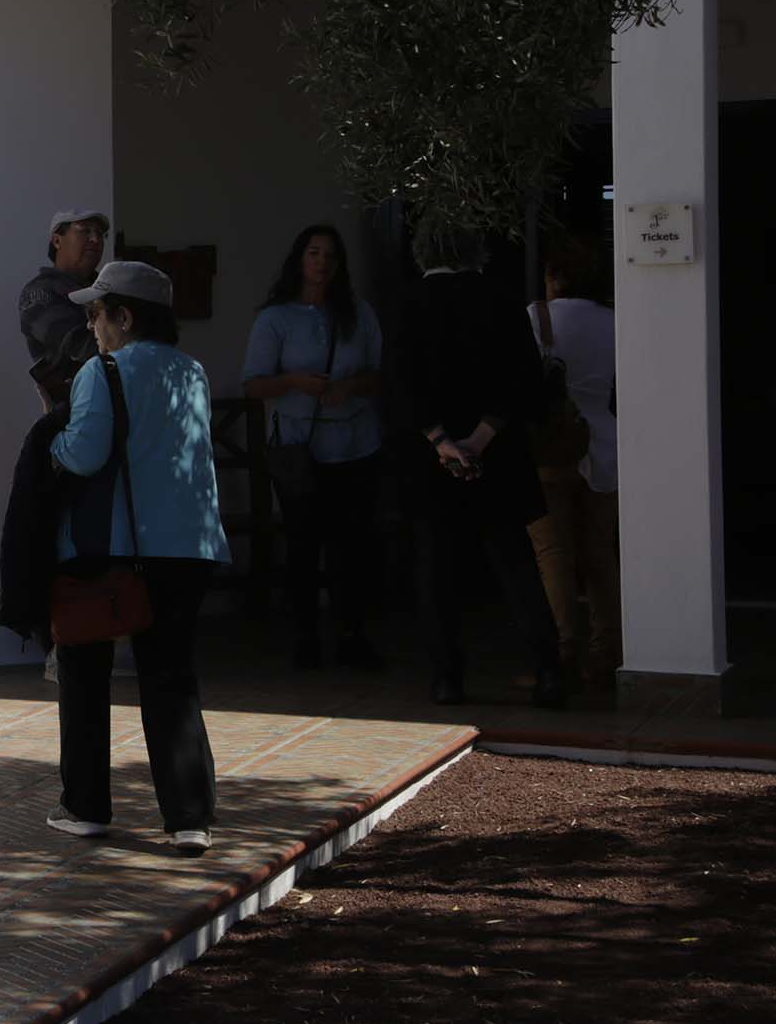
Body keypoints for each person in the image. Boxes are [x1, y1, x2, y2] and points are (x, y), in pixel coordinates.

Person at [46, 261, 230, 856]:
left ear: (123, 317)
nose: (92, 324)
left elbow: (83, 453)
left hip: (119, 550)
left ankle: (86, 807)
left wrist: (51, 439)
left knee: (83, 668)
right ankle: (189, 819)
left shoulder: (103, 372)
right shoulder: (193, 372)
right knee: (171, 676)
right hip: (192, 546)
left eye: (97, 313)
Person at [399, 226, 567, 709]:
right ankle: (547, 671)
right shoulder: (500, 298)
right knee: (516, 565)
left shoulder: (409, 303)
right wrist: (480, 438)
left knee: (436, 570)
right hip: (498, 454)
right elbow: (522, 380)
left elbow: (401, 385)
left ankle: (446, 678)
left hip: (431, 460)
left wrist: (441, 442)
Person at [243, 224, 388, 670]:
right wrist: (294, 382)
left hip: (354, 443)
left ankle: (352, 634)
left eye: (330, 256)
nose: (322, 263)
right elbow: (253, 384)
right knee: (303, 546)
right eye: (314, 254)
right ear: (299, 260)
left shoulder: (358, 313)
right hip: (298, 448)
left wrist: (350, 388)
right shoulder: (275, 318)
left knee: (351, 546)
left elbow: (380, 374)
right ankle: (305, 637)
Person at [526, 237, 620, 693]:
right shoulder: (616, 321)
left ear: (555, 279)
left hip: (551, 448)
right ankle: (608, 654)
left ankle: (563, 651)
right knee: (602, 556)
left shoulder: (535, 318)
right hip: (605, 446)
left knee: (553, 555)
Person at [21, 208, 110, 408]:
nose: (95, 239)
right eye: (85, 230)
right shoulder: (39, 293)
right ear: (57, 241)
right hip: (77, 412)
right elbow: (79, 346)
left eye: (100, 234)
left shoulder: (108, 289)